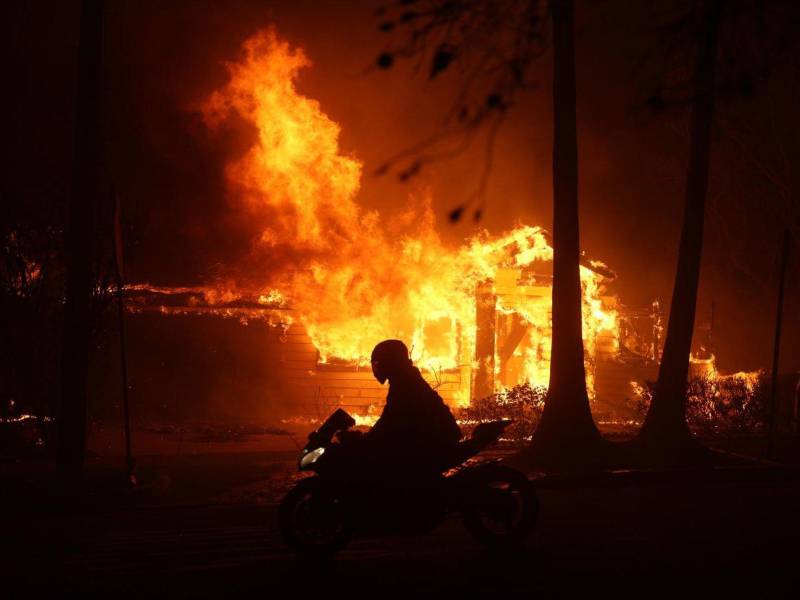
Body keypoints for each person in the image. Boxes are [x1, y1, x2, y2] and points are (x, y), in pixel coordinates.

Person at [345, 339, 461, 475]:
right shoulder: (406, 379)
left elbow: (388, 422)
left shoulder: (405, 384)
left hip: (432, 448)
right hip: (435, 442)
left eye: (379, 363)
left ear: (391, 362)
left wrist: (365, 441)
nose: (376, 368)